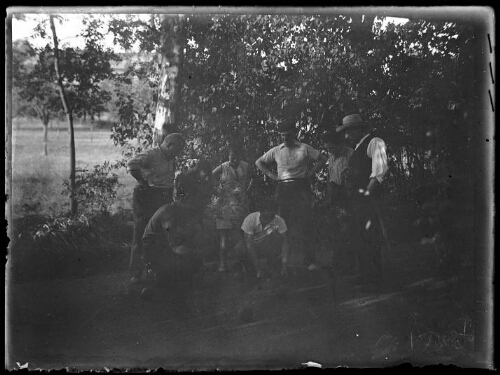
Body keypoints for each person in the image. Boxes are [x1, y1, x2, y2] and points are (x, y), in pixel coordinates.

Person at [255, 121, 327, 270]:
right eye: (282, 135)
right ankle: (277, 260)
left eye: (288, 135)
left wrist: (311, 173)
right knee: (279, 223)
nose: (285, 138)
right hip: (283, 188)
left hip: (301, 187)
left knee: (306, 222)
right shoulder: (276, 150)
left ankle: (309, 261)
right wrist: (271, 175)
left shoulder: (304, 148)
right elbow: (259, 162)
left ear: (294, 134)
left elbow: (322, 159)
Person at [141, 160, 213, 295]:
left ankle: (175, 278)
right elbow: (176, 246)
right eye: (193, 201)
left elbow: (192, 235)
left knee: (192, 260)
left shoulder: (183, 212)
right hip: (155, 253)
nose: (196, 204)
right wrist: (197, 254)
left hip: (166, 247)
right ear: (185, 199)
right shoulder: (168, 215)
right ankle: (159, 277)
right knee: (189, 261)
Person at [127, 132, 186, 284]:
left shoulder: (171, 158)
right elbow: (132, 165)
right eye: (177, 149)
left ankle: (155, 271)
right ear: (169, 144)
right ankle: (136, 272)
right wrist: (143, 182)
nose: (178, 153)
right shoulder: (151, 154)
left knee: (160, 233)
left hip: (163, 196)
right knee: (140, 233)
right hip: (147, 196)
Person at [337, 113, 388, 284]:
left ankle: (374, 278)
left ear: (360, 128)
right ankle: (367, 276)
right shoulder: (358, 147)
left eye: (350, 131)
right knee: (360, 238)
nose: (347, 135)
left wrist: (366, 194)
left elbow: (379, 173)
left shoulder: (375, 142)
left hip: (369, 199)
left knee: (371, 237)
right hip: (358, 201)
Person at [212, 146, 254, 272]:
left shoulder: (245, 166)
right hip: (225, 204)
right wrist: (217, 189)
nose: (234, 159)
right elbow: (210, 176)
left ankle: (244, 264)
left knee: (243, 233)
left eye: (237, 156)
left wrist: (247, 191)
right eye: (232, 156)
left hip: (241, 204)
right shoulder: (223, 167)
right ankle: (223, 265)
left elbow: (253, 178)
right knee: (224, 235)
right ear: (228, 156)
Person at [322, 130, 355, 275]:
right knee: (335, 230)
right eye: (328, 148)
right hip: (335, 196)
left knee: (347, 230)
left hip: (347, 196)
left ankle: (349, 265)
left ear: (340, 144)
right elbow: (330, 176)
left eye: (332, 148)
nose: (330, 151)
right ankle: (337, 264)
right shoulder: (331, 156)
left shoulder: (351, 155)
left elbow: (353, 178)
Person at [234, 199, 289, 280]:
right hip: (253, 246)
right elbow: (249, 245)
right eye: (265, 212)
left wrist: (284, 267)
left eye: (270, 212)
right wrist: (258, 269)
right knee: (239, 248)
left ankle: (271, 267)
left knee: (277, 237)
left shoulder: (279, 221)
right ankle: (249, 267)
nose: (267, 215)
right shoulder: (250, 219)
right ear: (260, 212)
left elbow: (284, 243)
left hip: (266, 246)